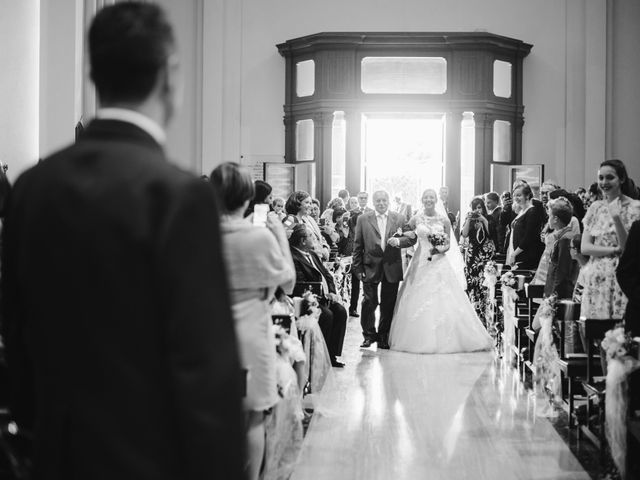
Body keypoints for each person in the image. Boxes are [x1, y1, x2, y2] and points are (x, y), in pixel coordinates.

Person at [0, 3, 245, 479]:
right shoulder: (179, 196)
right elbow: (204, 368)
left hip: (54, 454)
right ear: (168, 75)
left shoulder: (32, 186)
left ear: (94, 72)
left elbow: (17, 329)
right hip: (151, 460)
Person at [211, 163, 295, 480]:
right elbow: (287, 283)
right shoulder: (259, 237)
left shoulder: (201, 235)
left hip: (211, 333)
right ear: (248, 198)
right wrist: (279, 238)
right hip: (250, 332)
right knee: (253, 415)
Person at [389, 189, 493, 354]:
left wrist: (437, 250)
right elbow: (409, 235)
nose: (429, 200)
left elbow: (448, 245)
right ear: (422, 199)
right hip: (420, 261)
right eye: (426, 197)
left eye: (431, 197)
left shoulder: (443, 220)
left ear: (436, 200)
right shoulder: (416, 218)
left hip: (438, 262)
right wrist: (397, 238)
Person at [353, 191, 416, 349]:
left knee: (388, 304)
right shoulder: (363, 219)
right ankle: (368, 335)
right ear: (373, 202)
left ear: (388, 202)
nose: (381, 203)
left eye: (384, 200)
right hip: (369, 266)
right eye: (378, 201)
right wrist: (357, 267)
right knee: (369, 302)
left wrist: (399, 241)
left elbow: (411, 237)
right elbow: (357, 245)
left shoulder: (399, 218)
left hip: (391, 266)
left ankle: (383, 336)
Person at [580, 159, 640, 320]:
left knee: (620, 331)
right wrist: (613, 250)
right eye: (601, 178)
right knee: (593, 328)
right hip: (597, 276)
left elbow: (627, 248)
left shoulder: (635, 208)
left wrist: (616, 218)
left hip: (623, 276)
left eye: (609, 177)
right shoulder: (596, 207)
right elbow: (585, 247)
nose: (604, 182)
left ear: (621, 179)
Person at [289, 224, 347, 367]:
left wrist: (332, 292)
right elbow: (300, 284)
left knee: (340, 311)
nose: (315, 239)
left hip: (325, 296)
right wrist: (322, 295)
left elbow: (327, 275)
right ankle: (319, 357)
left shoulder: (313, 254)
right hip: (308, 299)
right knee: (327, 315)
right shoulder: (293, 257)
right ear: (303, 241)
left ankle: (331, 355)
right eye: (311, 236)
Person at [461, 197, 496, 324]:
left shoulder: (489, 218)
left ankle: (486, 313)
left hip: (485, 254)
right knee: (473, 282)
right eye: (475, 207)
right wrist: (469, 220)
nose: (477, 210)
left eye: (479, 207)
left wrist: (484, 220)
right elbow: (464, 235)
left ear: (483, 207)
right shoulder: (469, 219)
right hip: (472, 255)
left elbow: (491, 234)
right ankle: (474, 313)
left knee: (484, 282)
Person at [506, 183, 545, 270]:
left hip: (526, 256)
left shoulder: (532, 212)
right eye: (514, 195)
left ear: (527, 196)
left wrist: (514, 254)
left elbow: (528, 237)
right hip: (518, 254)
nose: (516, 198)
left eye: (519, 195)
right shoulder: (521, 211)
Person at [283, 191, 329, 261]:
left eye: (310, 203)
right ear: (297, 203)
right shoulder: (291, 219)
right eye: (307, 202)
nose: (310, 206)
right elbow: (281, 238)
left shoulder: (304, 219)